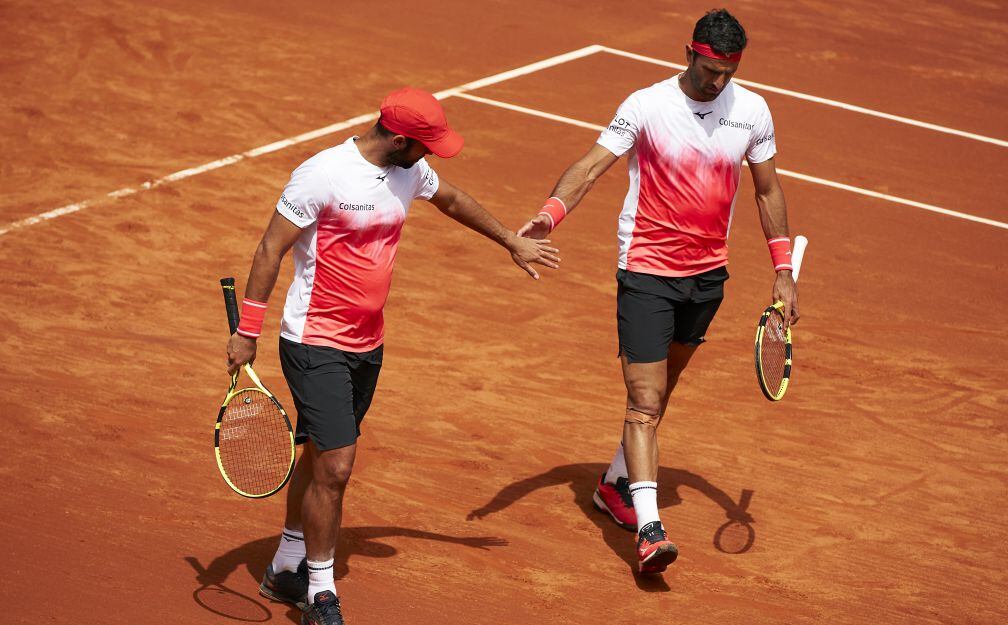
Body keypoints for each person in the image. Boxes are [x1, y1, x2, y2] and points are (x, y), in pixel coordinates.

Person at [226, 87, 559, 625]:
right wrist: (248, 332)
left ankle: (286, 564)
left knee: (319, 456)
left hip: (367, 344)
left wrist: (509, 241)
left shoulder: (409, 171)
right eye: (425, 146)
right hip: (314, 341)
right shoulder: (322, 175)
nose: (431, 155)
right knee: (337, 465)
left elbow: (450, 199)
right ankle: (320, 592)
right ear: (399, 138)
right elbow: (270, 249)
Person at [516, 9, 799, 575]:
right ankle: (649, 531)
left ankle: (614, 485)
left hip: (707, 275)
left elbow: (767, 190)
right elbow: (592, 165)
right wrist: (551, 214)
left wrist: (783, 269)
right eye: (711, 68)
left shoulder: (753, 111)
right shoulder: (645, 105)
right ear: (689, 53)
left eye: (728, 71)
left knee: (661, 391)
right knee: (643, 402)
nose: (718, 81)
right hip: (646, 268)